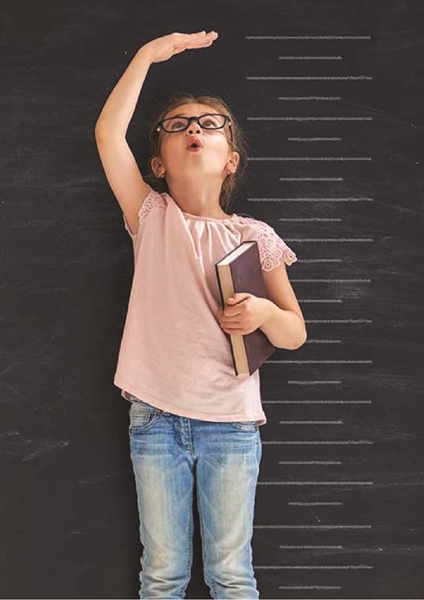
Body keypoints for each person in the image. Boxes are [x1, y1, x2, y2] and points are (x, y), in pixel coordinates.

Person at [95, 30, 307, 598]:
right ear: (157, 163)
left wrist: (262, 311)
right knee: (162, 574)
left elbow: (294, 332)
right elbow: (107, 134)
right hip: (156, 418)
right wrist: (146, 55)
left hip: (232, 423)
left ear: (230, 160)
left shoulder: (254, 235)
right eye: (178, 124)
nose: (194, 128)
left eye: (210, 124)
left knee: (232, 575)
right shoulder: (151, 216)